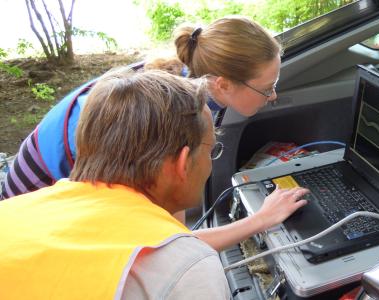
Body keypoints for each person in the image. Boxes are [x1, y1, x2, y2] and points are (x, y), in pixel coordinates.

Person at [0, 70, 307, 299]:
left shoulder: (14, 211)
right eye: (211, 150)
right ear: (182, 162)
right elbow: (173, 259)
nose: (211, 162)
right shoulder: (188, 271)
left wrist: (260, 220)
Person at [1, 15, 281, 200]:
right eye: (267, 88)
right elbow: (148, 231)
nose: (273, 96)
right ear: (223, 84)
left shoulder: (194, 81)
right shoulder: (160, 118)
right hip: (37, 191)